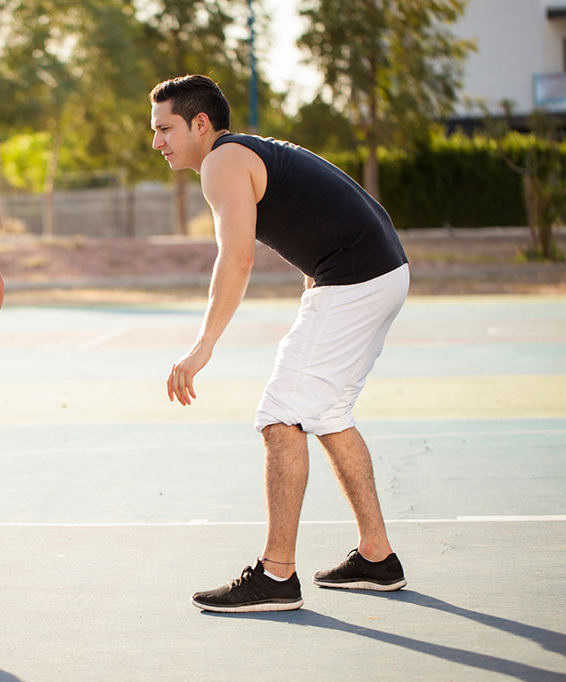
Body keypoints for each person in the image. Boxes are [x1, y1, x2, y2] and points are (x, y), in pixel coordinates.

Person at [150, 75, 410, 613]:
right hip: (378, 272)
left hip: (356, 279)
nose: (158, 142)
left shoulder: (222, 161)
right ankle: (377, 558)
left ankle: (276, 575)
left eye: (165, 128)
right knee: (329, 415)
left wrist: (203, 346)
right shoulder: (249, 152)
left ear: (201, 124)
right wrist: (319, 280)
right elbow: (340, 209)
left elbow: (237, 258)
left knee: (279, 417)